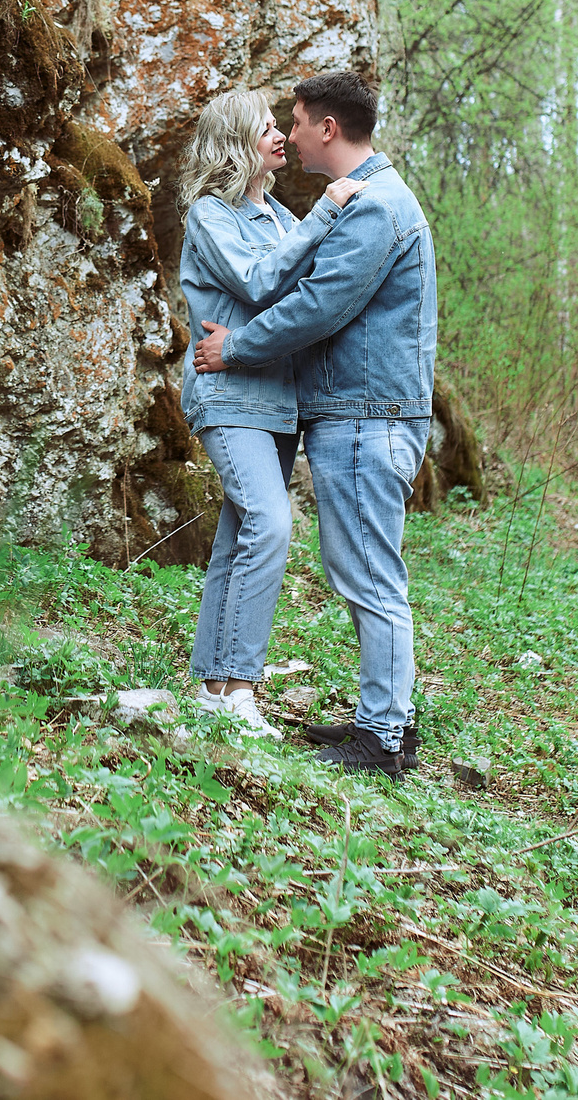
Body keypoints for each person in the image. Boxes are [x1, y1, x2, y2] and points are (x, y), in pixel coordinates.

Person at [192, 72, 436, 779]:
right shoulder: (367, 202)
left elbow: (317, 307)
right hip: (364, 415)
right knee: (365, 570)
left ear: (326, 128)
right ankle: (381, 719)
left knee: (368, 576)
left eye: (296, 121)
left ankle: (384, 736)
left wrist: (233, 346)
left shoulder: (371, 208)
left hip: (367, 418)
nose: (290, 133)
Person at [173, 91, 364, 740]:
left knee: (238, 535)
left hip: (277, 402)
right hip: (227, 397)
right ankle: (241, 691)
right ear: (234, 144)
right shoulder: (210, 215)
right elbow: (259, 281)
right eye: (265, 130)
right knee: (271, 524)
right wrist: (325, 214)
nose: (281, 136)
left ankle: (211, 686)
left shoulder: (281, 216)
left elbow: (302, 293)